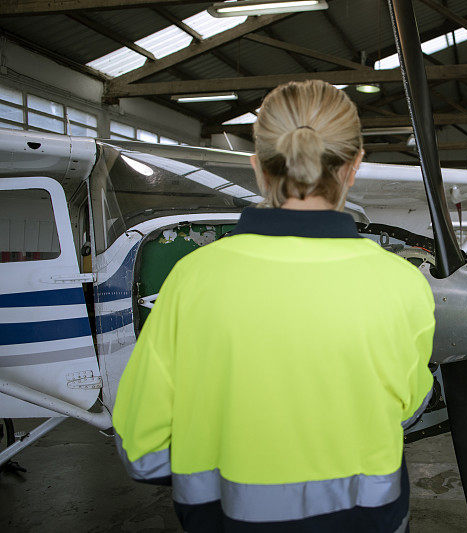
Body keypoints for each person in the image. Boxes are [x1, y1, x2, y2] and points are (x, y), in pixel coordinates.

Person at [112, 80, 435, 532]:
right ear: (354, 166)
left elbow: (142, 451)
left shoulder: (192, 279)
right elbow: (408, 405)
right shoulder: (403, 284)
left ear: (258, 168)